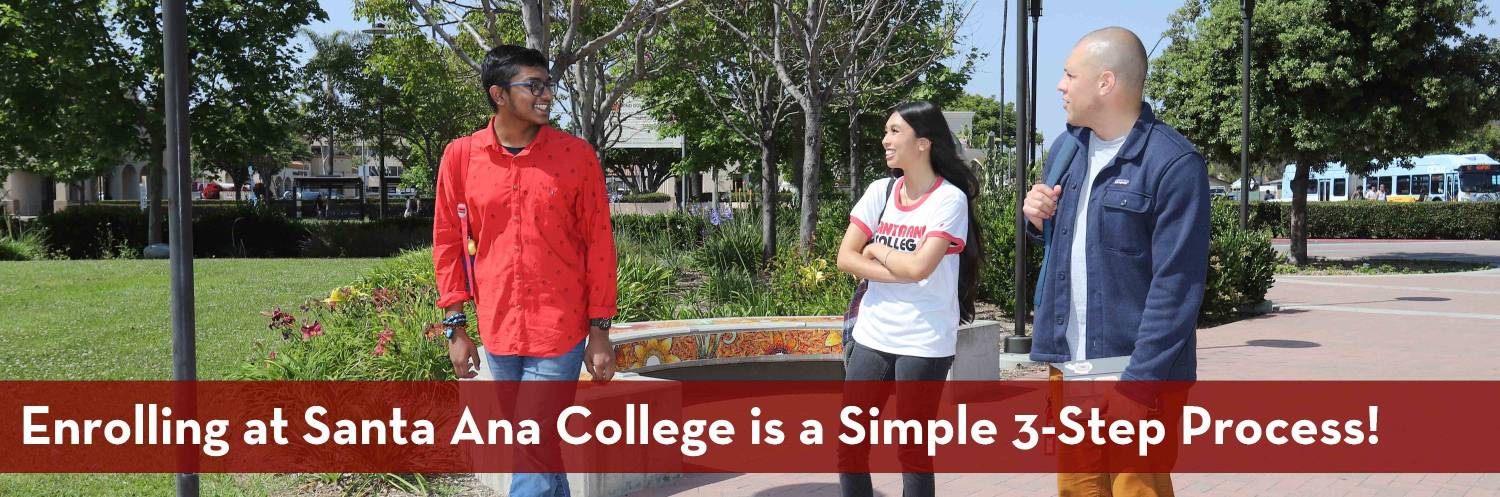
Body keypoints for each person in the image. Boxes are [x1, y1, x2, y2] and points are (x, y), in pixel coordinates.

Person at [1023, 26, 1210, 497]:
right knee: (1078, 490)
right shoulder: (1068, 150)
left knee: (1136, 490)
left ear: (1105, 83)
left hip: (1137, 369)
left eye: (1069, 75)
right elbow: (1072, 249)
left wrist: (1139, 385)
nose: (1061, 86)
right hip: (1073, 363)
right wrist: (1037, 218)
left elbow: (1178, 286)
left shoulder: (1172, 162)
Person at [431, 44, 618, 497]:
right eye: (533, 85)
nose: (547, 95)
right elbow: (447, 243)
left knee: (531, 445)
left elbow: (599, 243)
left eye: (548, 85)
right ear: (498, 94)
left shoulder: (576, 156)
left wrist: (599, 329)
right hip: (498, 327)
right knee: (536, 446)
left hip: (559, 328)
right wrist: (455, 326)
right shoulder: (461, 157)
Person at [835, 100, 985, 497]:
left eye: (894, 132)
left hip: (924, 341)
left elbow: (921, 268)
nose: (885, 140)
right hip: (872, 333)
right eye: (886, 131)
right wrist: (897, 267)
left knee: (912, 450)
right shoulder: (880, 191)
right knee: (850, 444)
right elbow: (845, 256)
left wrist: (878, 250)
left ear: (923, 143)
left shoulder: (948, 199)